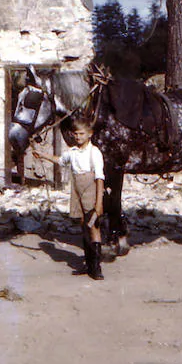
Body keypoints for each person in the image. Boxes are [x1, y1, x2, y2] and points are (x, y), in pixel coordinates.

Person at [34, 116, 105, 280]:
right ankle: (88, 263)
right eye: (76, 134)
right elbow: (60, 160)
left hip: (90, 189)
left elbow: (99, 177)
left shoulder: (94, 152)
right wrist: (43, 155)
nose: (78, 137)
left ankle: (96, 267)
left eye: (81, 134)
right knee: (83, 224)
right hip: (77, 189)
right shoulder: (72, 152)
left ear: (90, 134)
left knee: (93, 225)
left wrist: (99, 202)